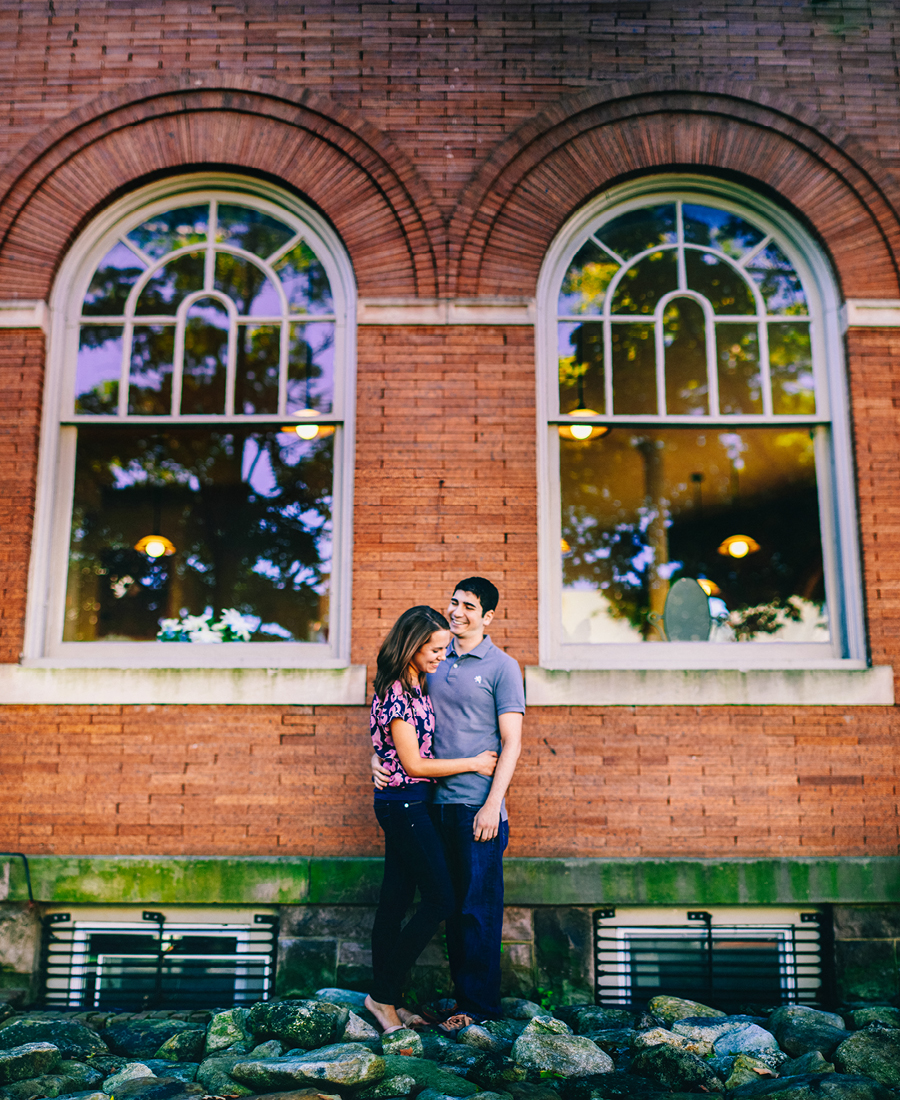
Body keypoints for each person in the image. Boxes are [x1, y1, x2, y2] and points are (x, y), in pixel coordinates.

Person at [373, 578, 525, 1026]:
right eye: (454, 602)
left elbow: (512, 742)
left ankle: (478, 1010)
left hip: (477, 807)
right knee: (448, 905)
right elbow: (394, 722)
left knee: (477, 910)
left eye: (469, 606)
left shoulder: (502, 667)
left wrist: (493, 805)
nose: (458, 611)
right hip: (428, 804)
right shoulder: (432, 660)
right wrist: (375, 760)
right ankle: (438, 1002)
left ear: (488, 616)